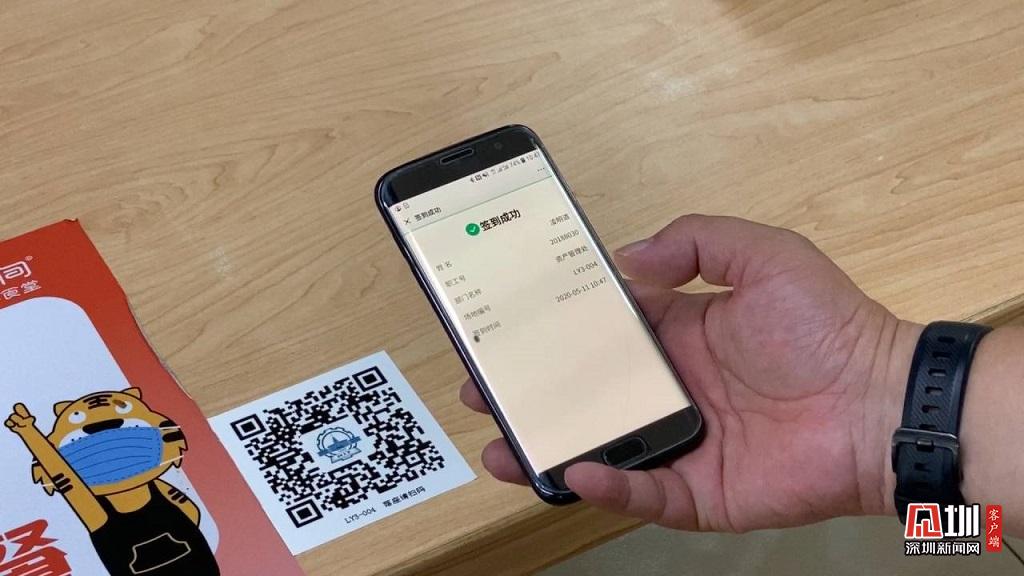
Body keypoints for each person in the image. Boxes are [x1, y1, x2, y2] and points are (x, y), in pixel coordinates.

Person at [459, 215, 1022, 537]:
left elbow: (989, 536)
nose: (974, 534)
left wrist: (880, 422)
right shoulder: (977, 527)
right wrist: (886, 464)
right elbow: (989, 534)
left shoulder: (978, 527)